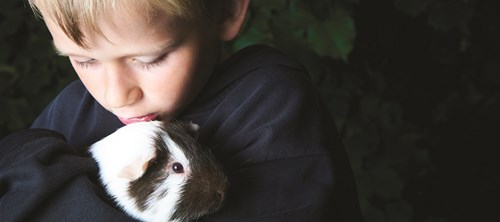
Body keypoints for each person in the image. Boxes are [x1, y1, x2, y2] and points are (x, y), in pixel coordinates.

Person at [0, 0, 363, 221]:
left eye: (150, 58)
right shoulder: (72, 109)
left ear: (226, 9)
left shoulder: (269, 100)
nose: (115, 95)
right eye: (84, 60)